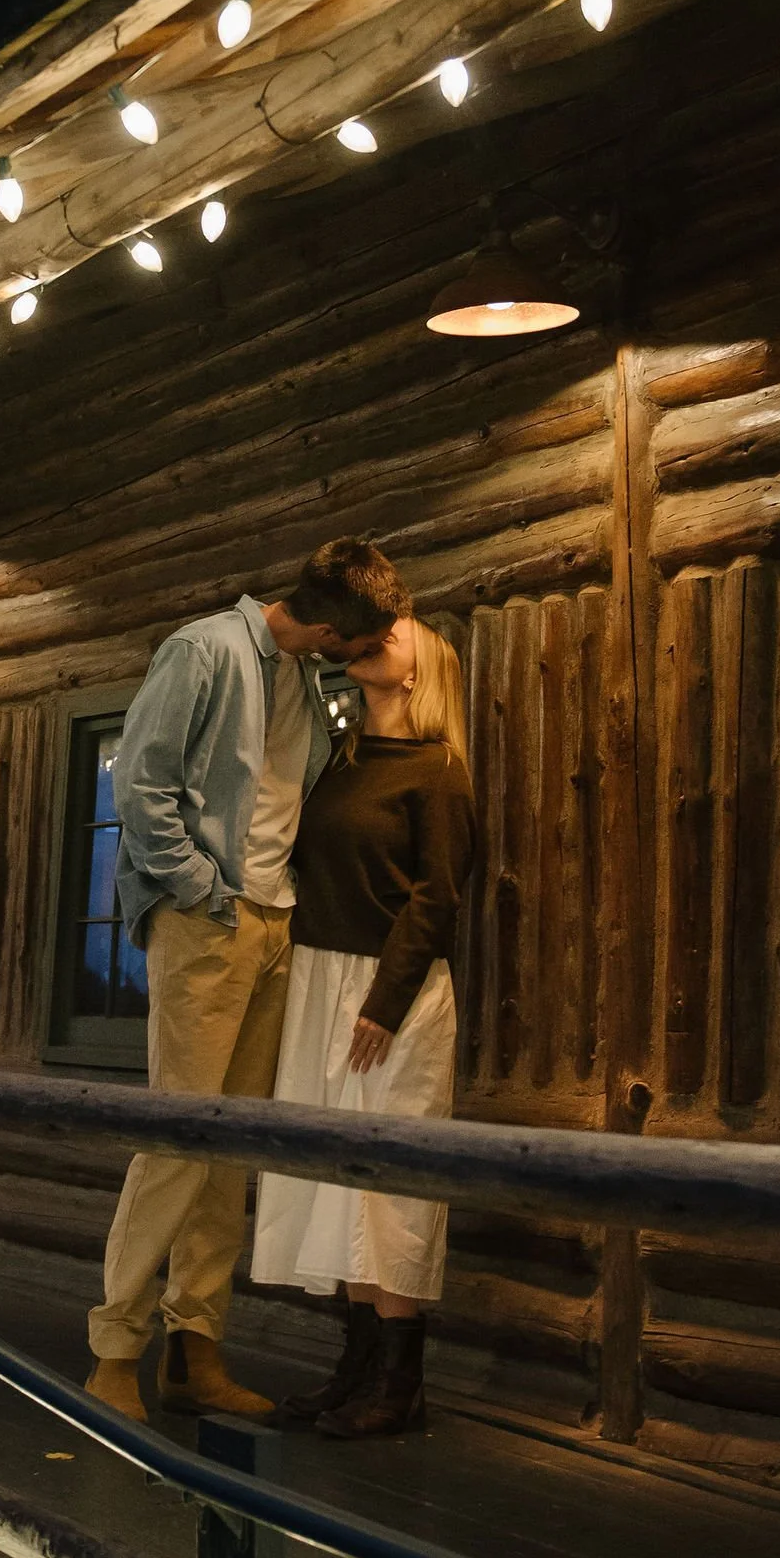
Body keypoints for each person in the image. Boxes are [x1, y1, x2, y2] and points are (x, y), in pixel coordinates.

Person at [85, 537, 409, 1424]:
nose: (360, 656)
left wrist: (276, 903)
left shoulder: (305, 677)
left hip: (276, 923)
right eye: (360, 640)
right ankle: (115, 1352)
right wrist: (203, 890)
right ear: (330, 624)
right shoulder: (202, 651)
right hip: (210, 918)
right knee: (177, 1137)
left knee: (230, 1147)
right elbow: (143, 786)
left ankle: (197, 1351)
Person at [252, 614, 475, 1439]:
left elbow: (439, 895)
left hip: (394, 994)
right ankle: (353, 1368)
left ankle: (401, 1383)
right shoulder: (343, 760)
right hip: (319, 979)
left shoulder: (439, 770)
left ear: (421, 671)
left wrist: (384, 1002)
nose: (381, 635)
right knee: (332, 1180)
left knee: (391, 1185)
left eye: (398, 632)